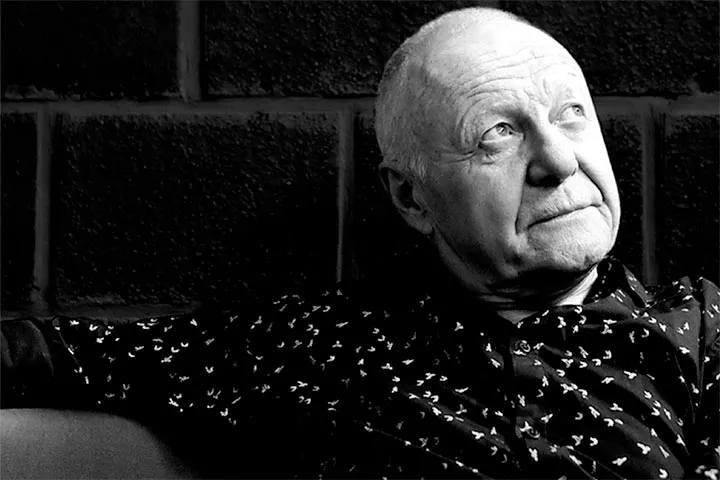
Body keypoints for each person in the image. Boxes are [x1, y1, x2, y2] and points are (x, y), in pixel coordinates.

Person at [2, 7, 719, 480]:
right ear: (411, 198)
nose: (558, 161)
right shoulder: (316, 344)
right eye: (497, 134)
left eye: (570, 114)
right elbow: (52, 355)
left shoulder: (702, 328)